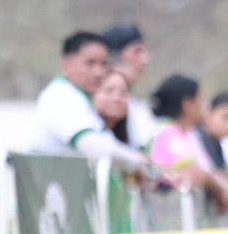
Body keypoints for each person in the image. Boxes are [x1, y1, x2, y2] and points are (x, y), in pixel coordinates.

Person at [30, 32, 149, 170]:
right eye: (90, 63)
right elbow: (93, 146)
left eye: (103, 64)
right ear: (66, 65)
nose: (98, 72)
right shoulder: (61, 96)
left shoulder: (84, 97)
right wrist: (139, 161)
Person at [149, 74, 228, 215]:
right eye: (200, 99)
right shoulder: (167, 134)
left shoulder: (190, 135)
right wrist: (220, 191)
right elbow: (195, 172)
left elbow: (207, 169)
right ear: (187, 104)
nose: (204, 104)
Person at [102, 23, 156, 148]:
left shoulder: (136, 108)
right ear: (113, 55)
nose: (145, 60)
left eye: (123, 92)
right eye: (137, 51)